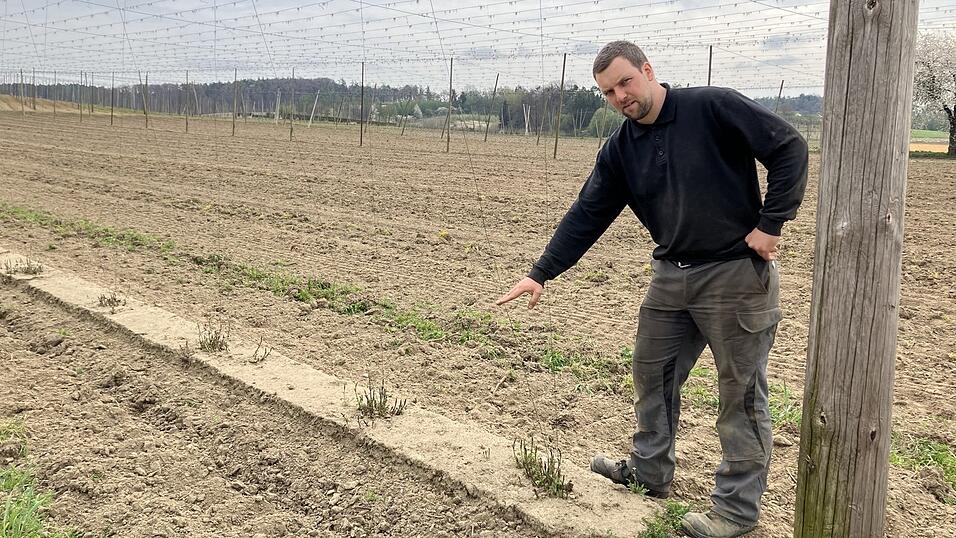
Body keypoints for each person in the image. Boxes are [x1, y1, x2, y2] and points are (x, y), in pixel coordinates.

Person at [495, 41, 808, 538]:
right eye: (608, 92)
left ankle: (735, 511)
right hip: (672, 275)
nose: (620, 96)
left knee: (740, 394)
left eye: (625, 82)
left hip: (734, 275)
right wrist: (541, 272)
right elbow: (588, 212)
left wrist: (772, 223)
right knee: (651, 374)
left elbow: (789, 147)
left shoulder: (712, 107)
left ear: (647, 70)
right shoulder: (622, 147)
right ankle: (650, 472)